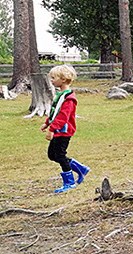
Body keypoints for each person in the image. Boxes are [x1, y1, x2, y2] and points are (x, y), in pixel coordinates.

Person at [41, 64, 90, 193]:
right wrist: (47, 123)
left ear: (63, 79)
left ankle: (69, 182)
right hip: (57, 130)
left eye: (53, 77)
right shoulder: (61, 95)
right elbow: (55, 112)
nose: (51, 80)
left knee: (60, 155)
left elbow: (63, 116)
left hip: (64, 131)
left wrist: (51, 129)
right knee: (52, 155)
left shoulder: (69, 98)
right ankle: (80, 168)